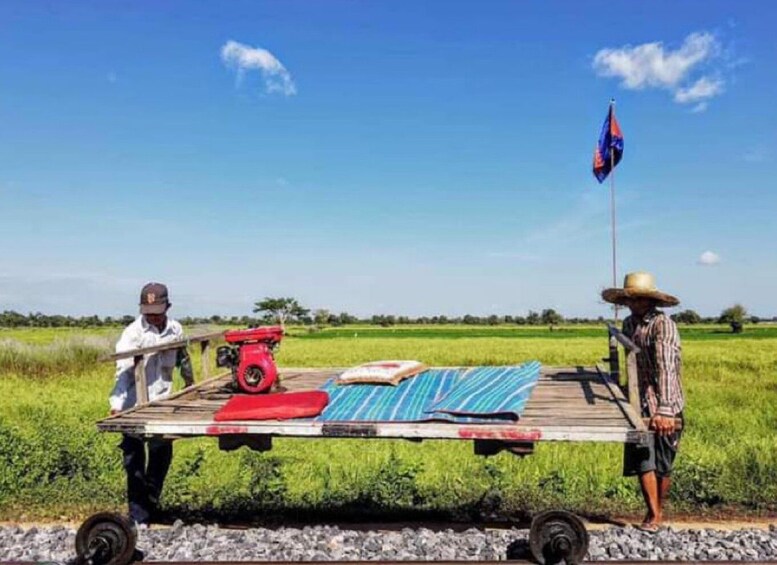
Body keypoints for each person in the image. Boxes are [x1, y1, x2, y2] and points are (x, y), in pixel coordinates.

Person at [602, 272, 685, 533]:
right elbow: (633, 363)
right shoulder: (628, 324)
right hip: (640, 402)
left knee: (662, 462)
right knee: (642, 459)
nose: (633, 303)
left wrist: (666, 409)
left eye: (639, 298)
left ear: (650, 300)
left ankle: (657, 510)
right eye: (629, 299)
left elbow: (666, 368)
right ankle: (653, 513)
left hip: (664, 402)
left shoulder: (663, 325)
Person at [109, 282, 193, 525]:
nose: (154, 316)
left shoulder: (176, 329)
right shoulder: (133, 333)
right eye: (149, 311)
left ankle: (149, 505)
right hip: (135, 406)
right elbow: (123, 371)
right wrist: (117, 402)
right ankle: (138, 517)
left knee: (161, 456)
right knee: (134, 462)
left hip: (164, 404)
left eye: (158, 310)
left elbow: (183, 358)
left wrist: (190, 384)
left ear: (168, 306)